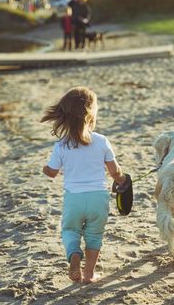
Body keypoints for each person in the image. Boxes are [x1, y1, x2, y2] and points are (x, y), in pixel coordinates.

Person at [41, 87, 126, 283]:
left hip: (74, 199)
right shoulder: (102, 141)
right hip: (98, 198)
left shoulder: (61, 145)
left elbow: (52, 173)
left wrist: (46, 168)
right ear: (91, 115)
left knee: (70, 230)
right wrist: (122, 181)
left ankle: (74, 255)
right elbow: (115, 172)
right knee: (94, 235)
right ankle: (88, 274)